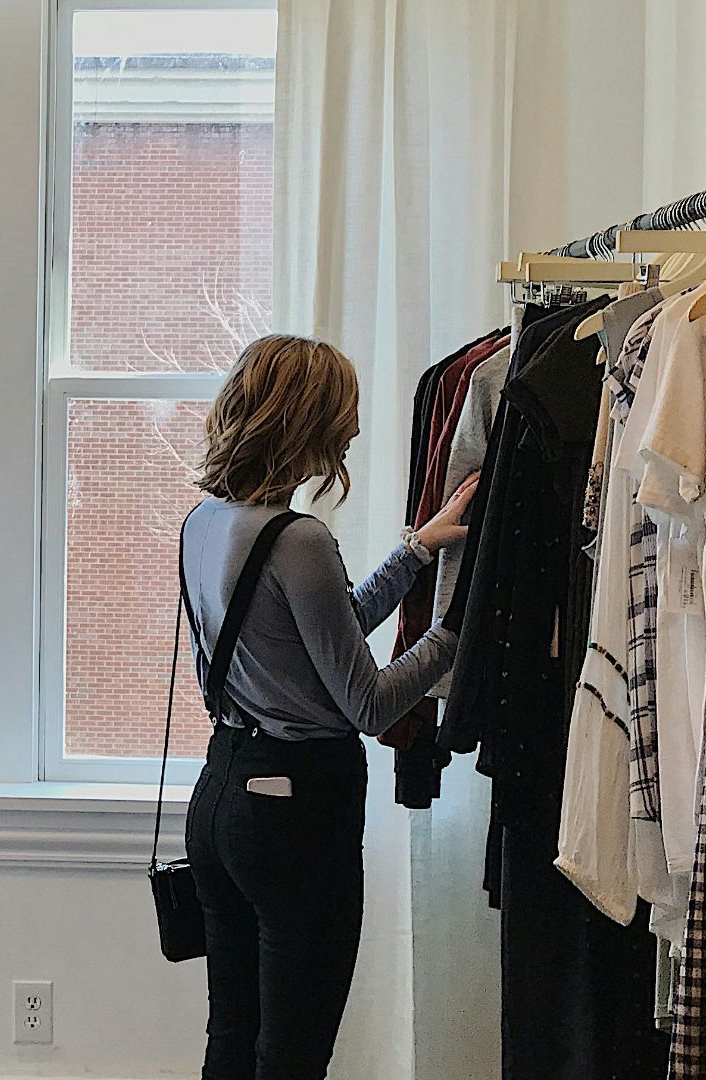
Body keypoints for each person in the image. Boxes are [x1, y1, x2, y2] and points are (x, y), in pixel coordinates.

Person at [181, 333, 477, 1080]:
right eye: (342, 414)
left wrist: (415, 553)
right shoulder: (300, 539)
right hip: (297, 815)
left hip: (221, 797)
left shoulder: (204, 523)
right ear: (304, 420)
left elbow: (319, 634)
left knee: (232, 1039)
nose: (352, 430)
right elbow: (368, 703)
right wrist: (459, 627)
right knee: (293, 1055)